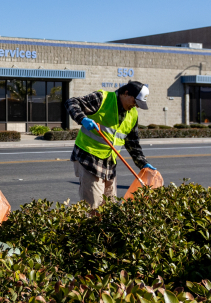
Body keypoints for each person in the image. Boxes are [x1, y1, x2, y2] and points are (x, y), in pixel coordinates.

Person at [65, 81, 156, 209]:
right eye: (135, 102)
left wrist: (143, 164)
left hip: (109, 163)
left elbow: (133, 143)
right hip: (89, 158)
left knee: (110, 207)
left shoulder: (132, 114)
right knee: (94, 206)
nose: (136, 106)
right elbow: (71, 102)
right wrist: (82, 119)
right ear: (126, 93)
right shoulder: (103, 98)